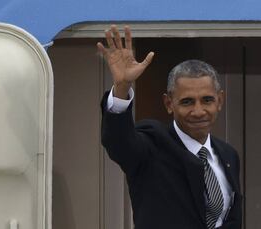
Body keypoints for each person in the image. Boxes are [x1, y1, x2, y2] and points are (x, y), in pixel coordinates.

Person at [98, 25, 242, 229]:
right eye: (187, 102)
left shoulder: (229, 155)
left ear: (220, 100)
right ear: (168, 104)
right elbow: (119, 143)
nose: (198, 111)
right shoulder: (152, 144)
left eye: (207, 100)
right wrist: (122, 87)